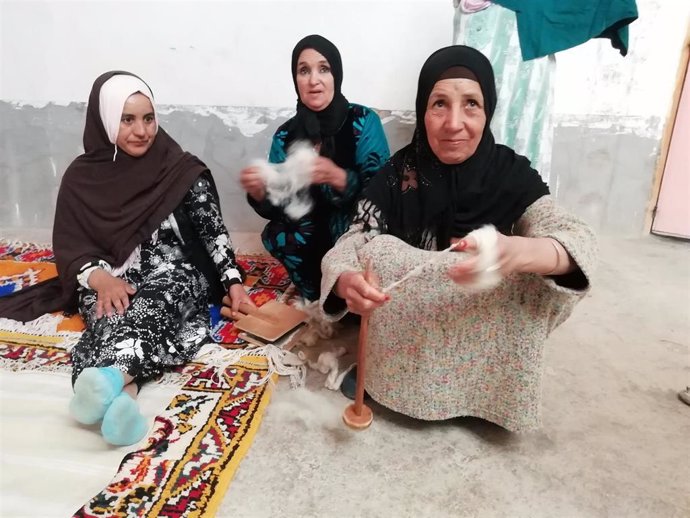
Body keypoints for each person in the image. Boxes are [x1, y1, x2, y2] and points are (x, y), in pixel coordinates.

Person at [319, 46, 597, 432]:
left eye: (471, 104)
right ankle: (401, 382)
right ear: (422, 109)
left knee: (548, 267)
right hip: (409, 351)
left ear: (488, 111)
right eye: (439, 104)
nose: (453, 123)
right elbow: (352, 241)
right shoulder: (400, 173)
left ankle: (485, 393)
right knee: (377, 253)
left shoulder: (510, 173)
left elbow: (574, 236)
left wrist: (518, 252)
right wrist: (347, 278)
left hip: (486, 357)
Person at [0, 71, 254, 446]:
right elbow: (72, 247)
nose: (142, 130)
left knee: (156, 307)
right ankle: (124, 400)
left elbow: (213, 234)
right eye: (127, 119)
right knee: (108, 317)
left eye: (148, 118)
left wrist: (233, 283)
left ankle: (111, 381)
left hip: (176, 271)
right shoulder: (80, 178)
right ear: (105, 121)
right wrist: (100, 279)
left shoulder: (179, 169)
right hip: (110, 274)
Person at [240, 34, 390, 301]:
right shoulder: (286, 135)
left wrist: (342, 179)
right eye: (303, 70)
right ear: (295, 80)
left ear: (336, 75)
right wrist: (261, 192)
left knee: (366, 238)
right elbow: (281, 207)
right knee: (279, 233)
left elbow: (383, 191)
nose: (313, 80)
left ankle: (352, 292)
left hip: (353, 225)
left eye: (324, 69)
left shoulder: (363, 121)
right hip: (310, 229)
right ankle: (317, 294)